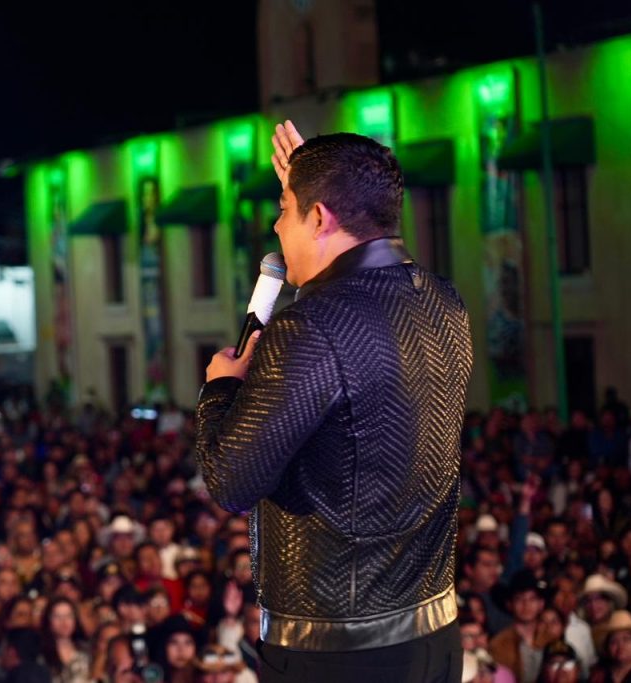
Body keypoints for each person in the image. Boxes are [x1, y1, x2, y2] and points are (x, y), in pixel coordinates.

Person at [196, 121, 471, 681]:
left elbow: (231, 482)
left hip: (338, 653)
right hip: (434, 634)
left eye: (284, 209)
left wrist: (222, 387)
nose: (277, 226)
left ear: (319, 218)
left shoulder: (307, 327)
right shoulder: (442, 298)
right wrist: (321, 179)